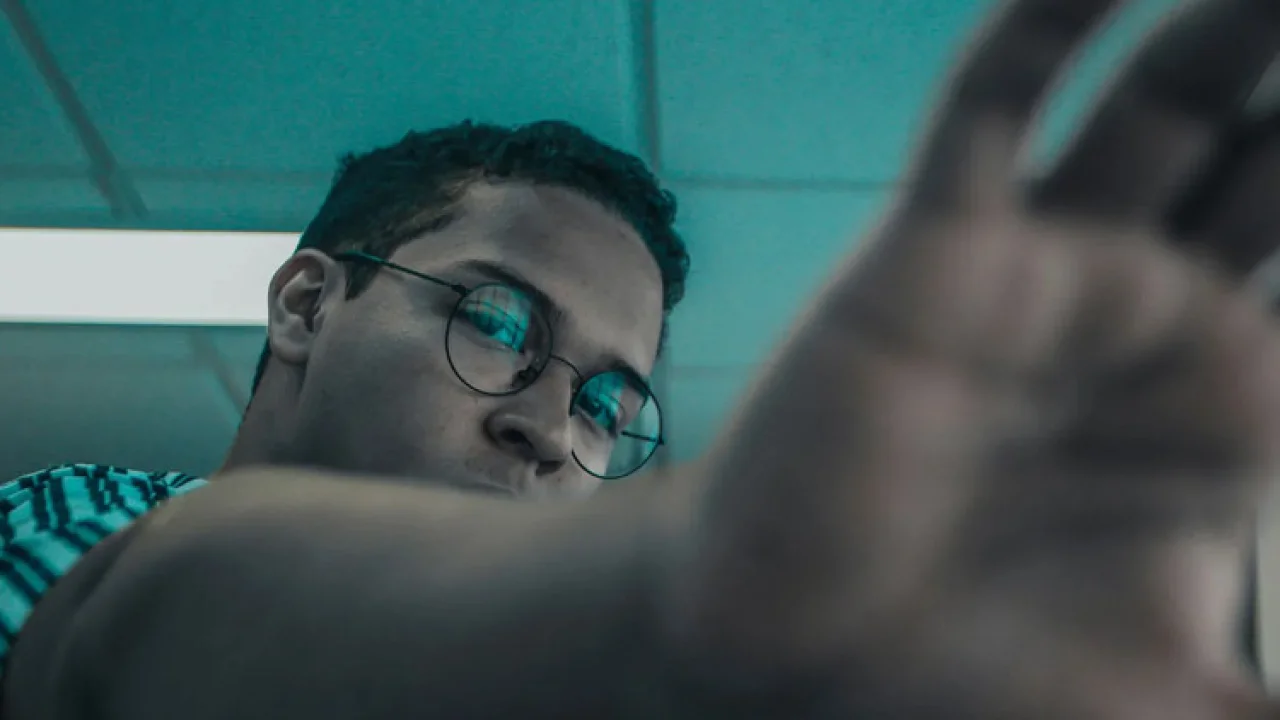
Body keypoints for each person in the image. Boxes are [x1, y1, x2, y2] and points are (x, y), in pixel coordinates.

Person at [5, 0, 1280, 717]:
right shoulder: (62, 521)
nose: (550, 433)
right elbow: (123, 628)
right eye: (499, 322)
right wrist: (667, 601)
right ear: (304, 304)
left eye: (610, 404)